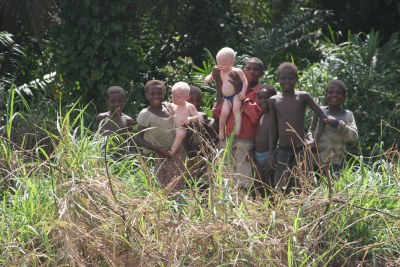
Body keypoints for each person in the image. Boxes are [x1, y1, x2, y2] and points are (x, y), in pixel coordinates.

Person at [268, 62, 328, 193]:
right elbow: (273, 128)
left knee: (303, 186)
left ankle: (304, 213)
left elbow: (323, 117)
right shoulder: (274, 100)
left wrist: (315, 141)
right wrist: (271, 152)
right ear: (278, 79)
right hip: (282, 150)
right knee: (280, 187)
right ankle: (282, 213)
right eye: (283, 78)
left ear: (296, 79)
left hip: (301, 150)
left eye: (291, 78)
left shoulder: (303, 96)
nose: (287, 81)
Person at [212, 57, 264, 190]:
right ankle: (224, 208)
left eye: (256, 69)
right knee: (223, 178)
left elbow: (255, 116)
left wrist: (242, 91)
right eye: (249, 68)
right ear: (243, 70)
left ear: (262, 74)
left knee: (243, 179)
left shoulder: (262, 92)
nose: (252, 72)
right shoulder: (231, 85)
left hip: (245, 140)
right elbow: (217, 112)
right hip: (226, 137)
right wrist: (219, 83)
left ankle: (242, 206)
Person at [134, 80, 186, 190]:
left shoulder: (170, 107)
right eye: (152, 94)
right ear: (146, 96)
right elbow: (138, 138)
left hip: (176, 153)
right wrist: (159, 149)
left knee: (177, 184)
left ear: (164, 94)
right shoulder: (145, 114)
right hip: (157, 154)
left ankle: (177, 206)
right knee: (160, 186)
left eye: (160, 93)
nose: (156, 96)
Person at [306, 79, 358, 178]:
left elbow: (354, 136)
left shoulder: (347, 115)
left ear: (344, 97)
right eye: (330, 92)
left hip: (335, 161)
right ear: (326, 95)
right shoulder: (320, 111)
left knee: (335, 188)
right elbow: (311, 129)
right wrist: (312, 141)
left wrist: (336, 123)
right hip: (315, 159)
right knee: (314, 188)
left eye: (338, 93)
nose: (334, 95)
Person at [204, 47, 248, 140]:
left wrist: (243, 92)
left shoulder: (236, 71)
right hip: (227, 98)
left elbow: (245, 82)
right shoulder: (220, 71)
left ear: (232, 62)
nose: (220, 66)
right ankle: (221, 131)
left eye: (223, 64)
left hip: (235, 95)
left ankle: (238, 128)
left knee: (236, 110)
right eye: (218, 63)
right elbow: (211, 76)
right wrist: (208, 78)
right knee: (224, 113)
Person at [184, 85, 218, 185]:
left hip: (202, 161)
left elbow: (210, 137)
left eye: (198, 101)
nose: (194, 104)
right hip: (184, 160)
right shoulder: (177, 116)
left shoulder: (202, 116)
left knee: (203, 188)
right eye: (190, 101)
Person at [253, 84, 277, 196]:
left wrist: (272, 155)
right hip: (257, 156)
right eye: (260, 98)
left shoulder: (276, 116)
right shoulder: (262, 115)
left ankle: (272, 209)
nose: (263, 100)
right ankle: (261, 209)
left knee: (270, 186)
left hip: (269, 155)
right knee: (258, 185)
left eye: (267, 97)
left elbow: (277, 136)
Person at [168, 82, 199, 156]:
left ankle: (171, 151)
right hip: (171, 127)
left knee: (180, 133)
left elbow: (197, 117)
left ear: (187, 97)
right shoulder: (171, 105)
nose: (175, 99)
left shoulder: (189, 106)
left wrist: (189, 118)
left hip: (180, 127)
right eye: (173, 96)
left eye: (178, 97)